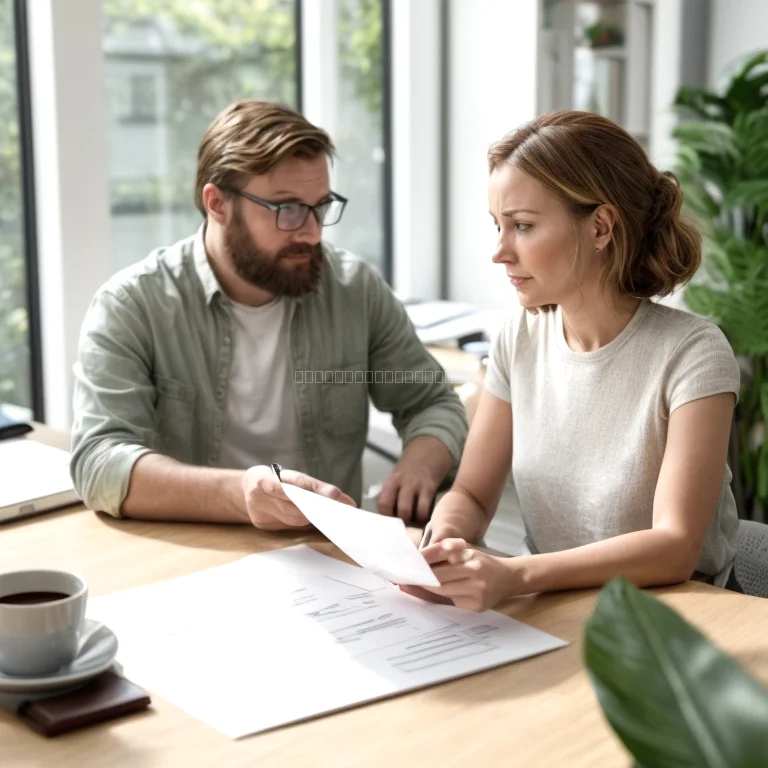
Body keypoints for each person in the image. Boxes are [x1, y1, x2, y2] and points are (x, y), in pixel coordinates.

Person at [70, 100, 468, 529]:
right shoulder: (132, 305)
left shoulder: (354, 290)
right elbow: (99, 463)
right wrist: (244, 495)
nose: (312, 232)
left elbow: (431, 402)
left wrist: (420, 465)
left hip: (329, 553)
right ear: (217, 203)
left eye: (320, 206)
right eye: (288, 209)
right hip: (195, 551)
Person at [403, 110, 742, 612]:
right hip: (555, 606)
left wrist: (513, 574)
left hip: (675, 618)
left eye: (522, 226)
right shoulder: (518, 336)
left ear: (601, 227)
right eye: (498, 226)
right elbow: (472, 494)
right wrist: (445, 541)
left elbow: (675, 547)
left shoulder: (693, 353)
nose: (500, 252)